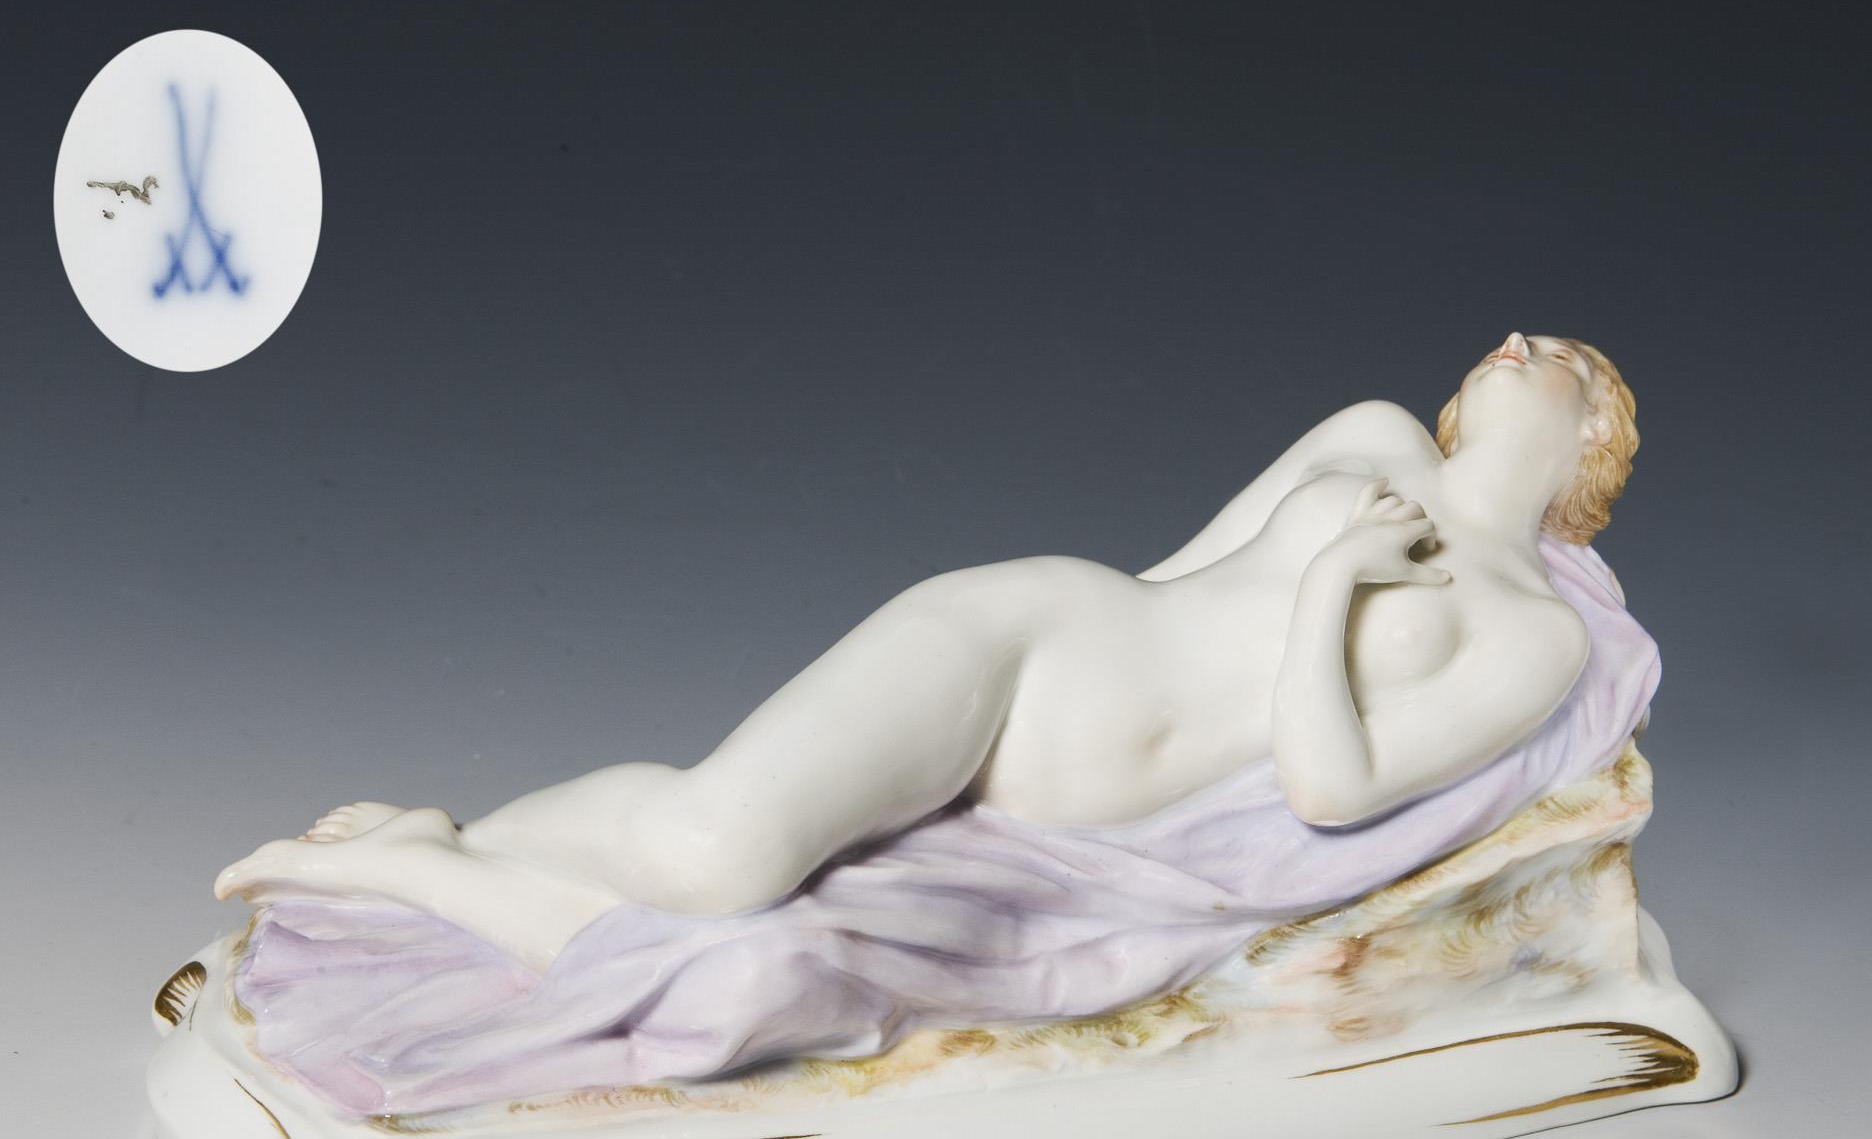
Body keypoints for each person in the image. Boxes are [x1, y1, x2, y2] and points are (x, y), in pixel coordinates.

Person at [217, 333, 1640, 972]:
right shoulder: (1376, 434)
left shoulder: (1533, 634)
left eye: (1560, 354)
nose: (1515, 339)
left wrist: (1334, 587)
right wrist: (1321, 563)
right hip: (1043, 639)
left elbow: (1330, 790)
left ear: (1592, 435)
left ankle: (433, 857)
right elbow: (1167, 580)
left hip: (1081, 791)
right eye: (1513, 335)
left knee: (728, 892)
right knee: (718, 850)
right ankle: (442, 849)